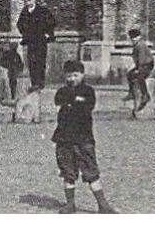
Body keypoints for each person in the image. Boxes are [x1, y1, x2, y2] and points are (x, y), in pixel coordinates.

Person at [52, 59, 117, 214]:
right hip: (64, 138)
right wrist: (74, 100)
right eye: (69, 76)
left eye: (75, 75)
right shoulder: (62, 91)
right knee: (68, 172)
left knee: (90, 170)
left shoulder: (88, 91)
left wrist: (74, 101)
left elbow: (89, 105)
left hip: (83, 138)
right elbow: (58, 100)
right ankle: (70, 204)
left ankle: (102, 204)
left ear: (82, 74)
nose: (72, 79)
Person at [17, 0, 56, 91]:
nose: (27, 3)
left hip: (41, 40)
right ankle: (34, 83)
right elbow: (19, 24)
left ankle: (40, 83)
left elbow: (52, 22)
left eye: (29, 0)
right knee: (31, 61)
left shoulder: (42, 11)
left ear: (34, 0)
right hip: (30, 40)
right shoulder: (24, 12)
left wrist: (48, 33)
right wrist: (25, 33)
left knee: (40, 61)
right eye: (26, 1)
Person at [126, 27, 154, 116]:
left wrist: (139, 69)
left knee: (140, 77)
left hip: (146, 65)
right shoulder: (138, 44)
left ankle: (145, 95)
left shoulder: (140, 45)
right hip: (142, 65)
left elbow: (141, 58)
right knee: (129, 74)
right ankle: (131, 92)